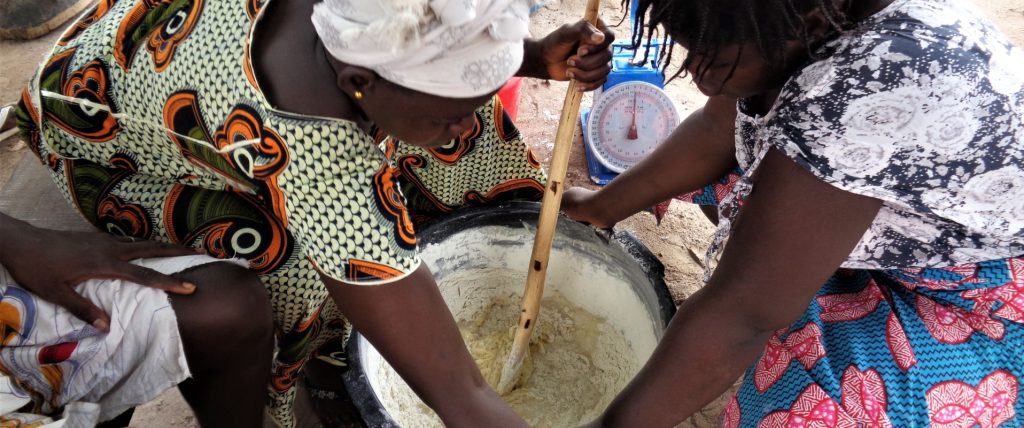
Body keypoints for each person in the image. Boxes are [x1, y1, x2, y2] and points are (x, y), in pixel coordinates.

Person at [4, 0, 614, 425]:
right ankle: (290, 385)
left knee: (455, 134)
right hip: (103, 134)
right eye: (445, 105)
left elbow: (446, 44)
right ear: (357, 83)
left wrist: (529, 57)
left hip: (139, 50)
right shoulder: (314, 158)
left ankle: (484, 190)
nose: (461, 116)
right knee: (289, 266)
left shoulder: (365, 25)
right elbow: (461, 394)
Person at [562, 0, 1024, 426]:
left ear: (810, 24)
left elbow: (741, 315)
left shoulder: (874, 86)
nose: (698, 76)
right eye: (682, 45)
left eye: (711, 55)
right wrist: (600, 208)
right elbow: (716, 128)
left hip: (978, 295)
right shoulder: (781, 18)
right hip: (885, 217)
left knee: (810, 408)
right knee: (735, 168)